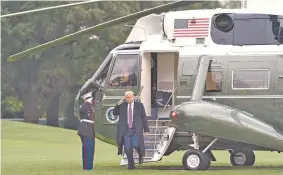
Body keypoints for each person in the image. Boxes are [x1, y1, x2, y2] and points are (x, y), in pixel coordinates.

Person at [113, 91, 150, 170]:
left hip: (136, 129)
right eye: (126, 97)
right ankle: (131, 166)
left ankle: (140, 154)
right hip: (126, 130)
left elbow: (144, 118)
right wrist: (117, 105)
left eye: (129, 97)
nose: (128, 99)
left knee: (137, 145)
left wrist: (146, 130)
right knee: (127, 148)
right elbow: (114, 113)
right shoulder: (122, 105)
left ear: (133, 97)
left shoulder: (139, 106)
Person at [77, 92, 95, 170]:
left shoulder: (90, 106)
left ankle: (89, 166)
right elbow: (81, 110)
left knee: (91, 148)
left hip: (90, 129)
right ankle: (86, 167)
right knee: (87, 149)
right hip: (85, 129)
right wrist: (87, 102)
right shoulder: (84, 106)